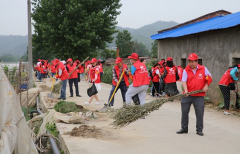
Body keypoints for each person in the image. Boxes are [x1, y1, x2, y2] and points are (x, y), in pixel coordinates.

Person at [176, 53, 212, 136]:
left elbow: (209, 77)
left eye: (192, 62)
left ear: (197, 61)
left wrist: (206, 85)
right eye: (189, 61)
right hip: (187, 95)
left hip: (199, 95)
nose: (190, 64)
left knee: (199, 112)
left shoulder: (203, 69)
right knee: (184, 112)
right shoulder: (186, 70)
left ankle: (199, 129)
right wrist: (186, 90)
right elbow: (184, 81)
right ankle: (184, 128)